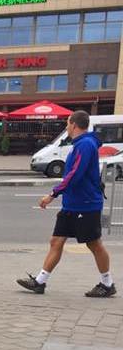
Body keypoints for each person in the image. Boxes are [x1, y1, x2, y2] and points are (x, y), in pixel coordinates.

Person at [17, 110, 116, 298]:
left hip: (85, 205)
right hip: (72, 204)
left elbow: (75, 174)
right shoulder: (80, 144)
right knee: (56, 241)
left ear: (74, 125)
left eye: (68, 123)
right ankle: (40, 281)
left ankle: (107, 283)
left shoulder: (85, 144)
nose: (66, 126)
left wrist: (53, 194)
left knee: (94, 244)